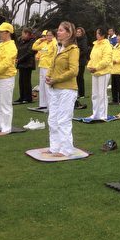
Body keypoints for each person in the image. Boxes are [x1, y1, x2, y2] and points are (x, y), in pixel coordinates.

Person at [45, 21, 79, 157]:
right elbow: (52, 65)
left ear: (69, 33)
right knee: (52, 119)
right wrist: (48, 76)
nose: (57, 32)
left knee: (63, 120)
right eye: (58, 30)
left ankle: (66, 150)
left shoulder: (74, 49)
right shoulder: (59, 48)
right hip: (55, 89)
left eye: (60, 30)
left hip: (67, 90)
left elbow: (74, 71)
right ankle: (54, 147)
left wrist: (56, 79)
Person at [0, 23, 18, 136]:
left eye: (1, 31)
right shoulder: (0, 45)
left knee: (5, 103)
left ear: (8, 33)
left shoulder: (11, 46)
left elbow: (7, 62)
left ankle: (6, 128)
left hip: (6, 78)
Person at [87, 28, 112, 120]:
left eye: (97, 33)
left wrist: (96, 67)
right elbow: (91, 57)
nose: (96, 35)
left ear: (102, 35)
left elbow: (106, 60)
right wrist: (89, 66)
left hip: (103, 73)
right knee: (95, 94)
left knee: (102, 94)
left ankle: (103, 115)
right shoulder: (95, 44)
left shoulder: (107, 45)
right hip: (95, 73)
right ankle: (95, 114)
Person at [32, 30, 56, 109]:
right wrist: (39, 40)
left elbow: (55, 54)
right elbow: (34, 47)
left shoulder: (54, 43)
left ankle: (50, 106)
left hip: (49, 67)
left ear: (53, 36)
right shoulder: (44, 43)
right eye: (47, 35)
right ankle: (43, 104)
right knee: (42, 86)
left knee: (47, 86)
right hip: (42, 66)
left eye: (50, 35)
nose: (48, 37)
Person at [14, 28, 36, 104]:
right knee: (21, 81)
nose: (22, 35)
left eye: (23, 33)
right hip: (21, 64)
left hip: (28, 64)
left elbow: (29, 52)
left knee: (26, 81)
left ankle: (28, 98)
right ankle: (22, 97)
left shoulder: (32, 41)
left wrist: (19, 60)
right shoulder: (21, 41)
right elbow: (19, 50)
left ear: (27, 34)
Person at [75, 27, 90, 101]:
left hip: (81, 61)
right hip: (75, 61)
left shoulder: (83, 39)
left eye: (79, 32)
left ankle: (82, 94)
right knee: (76, 77)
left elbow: (85, 50)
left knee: (80, 77)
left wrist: (76, 55)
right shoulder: (75, 40)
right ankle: (77, 92)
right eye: (77, 32)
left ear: (82, 33)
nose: (78, 33)